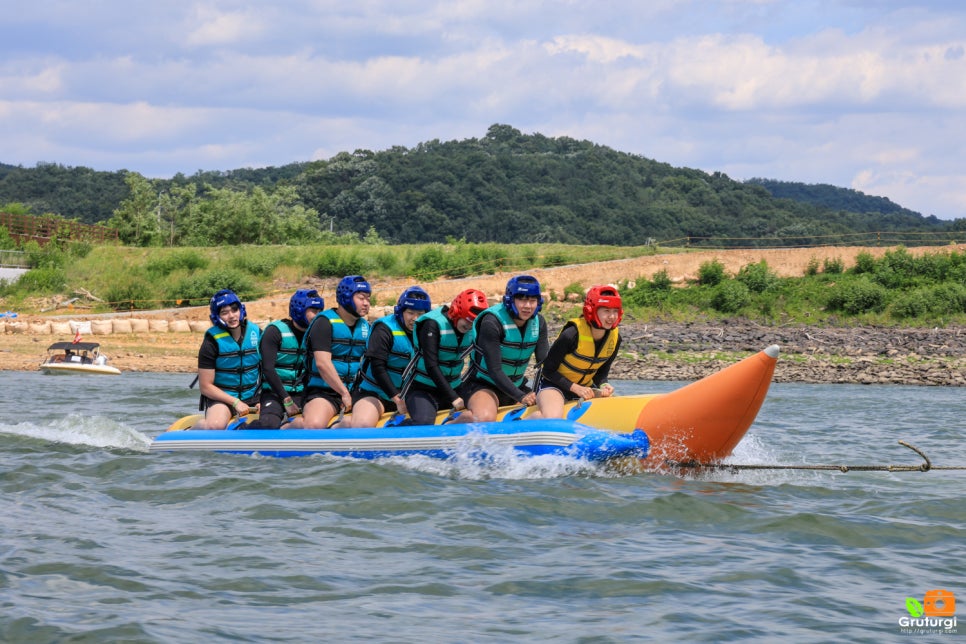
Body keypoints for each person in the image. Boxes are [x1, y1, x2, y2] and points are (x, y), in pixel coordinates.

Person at [461, 275, 549, 422]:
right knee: (485, 417)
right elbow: (494, 370)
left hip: (517, 385)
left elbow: (545, 363)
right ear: (510, 300)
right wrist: (521, 396)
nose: (527, 306)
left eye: (532, 300)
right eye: (522, 299)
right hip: (484, 386)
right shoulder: (492, 322)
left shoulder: (539, 322)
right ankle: (453, 424)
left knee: (545, 412)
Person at [530, 285, 622, 420]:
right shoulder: (571, 334)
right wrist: (576, 389)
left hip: (586, 389)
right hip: (553, 386)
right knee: (553, 417)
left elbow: (601, 374)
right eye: (606, 311)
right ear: (591, 310)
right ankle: (531, 420)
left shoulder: (615, 338)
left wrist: (604, 385)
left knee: (615, 415)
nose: (612, 316)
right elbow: (548, 371)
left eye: (615, 311)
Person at [296, 275, 372, 429]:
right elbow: (322, 364)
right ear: (346, 298)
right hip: (324, 392)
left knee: (361, 422)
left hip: (356, 391)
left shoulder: (366, 326)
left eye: (368, 299)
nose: (366, 303)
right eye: (361, 298)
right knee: (315, 424)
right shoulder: (323, 323)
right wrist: (344, 393)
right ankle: (290, 428)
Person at [351, 286, 432, 427]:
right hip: (375, 392)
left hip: (410, 393)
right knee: (362, 424)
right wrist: (397, 400)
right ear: (401, 312)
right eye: (410, 313)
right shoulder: (384, 329)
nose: (415, 319)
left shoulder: (428, 331)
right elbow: (377, 368)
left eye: (420, 313)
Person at [405, 288, 489, 425]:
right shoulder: (432, 324)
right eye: (467, 321)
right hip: (423, 389)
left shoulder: (472, 327)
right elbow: (431, 365)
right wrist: (453, 397)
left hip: (455, 386)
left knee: (480, 413)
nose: (469, 326)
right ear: (456, 312)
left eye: (473, 322)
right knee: (424, 422)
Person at [247, 289, 325, 429]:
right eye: (313, 310)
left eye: (320, 311)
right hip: (274, 393)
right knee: (269, 424)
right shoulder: (274, 332)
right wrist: (286, 400)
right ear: (299, 310)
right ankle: (243, 432)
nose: (318, 315)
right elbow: (268, 369)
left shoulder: (316, 334)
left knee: (316, 422)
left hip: (303, 393)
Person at [196, 289, 262, 430]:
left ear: (241, 310)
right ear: (216, 316)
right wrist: (235, 402)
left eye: (234, 310)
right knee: (215, 425)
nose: (231, 316)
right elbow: (205, 386)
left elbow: (269, 370)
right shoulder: (211, 343)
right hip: (223, 400)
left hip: (253, 397)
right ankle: (189, 431)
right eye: (224, 312)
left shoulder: (257, 333)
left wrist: (265, 398)